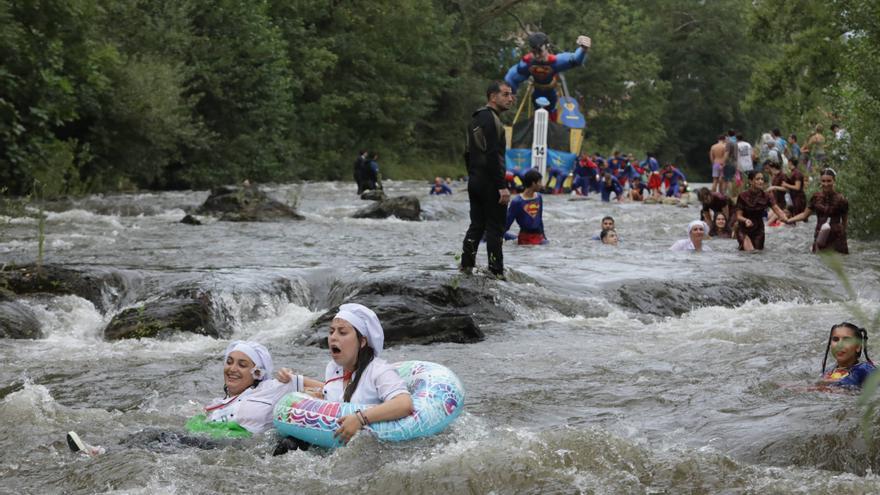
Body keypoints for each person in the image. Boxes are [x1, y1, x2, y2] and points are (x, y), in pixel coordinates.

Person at [67, 341, 318, 456]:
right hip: (213, 444)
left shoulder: (271, 387)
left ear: (257, 373)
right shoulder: (217, 404)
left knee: (158, 435)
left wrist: (294, 377)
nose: (232, 369)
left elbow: (327, 388)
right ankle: (104, 451)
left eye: (242, 364)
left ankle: (100, 453)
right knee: (149, 434)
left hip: (240, 447)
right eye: (229, 362)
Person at [274, 304, 414, 452]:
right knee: (287, 444)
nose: (333, 337)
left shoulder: (379, 371)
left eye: (342, 332)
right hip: (331, 444)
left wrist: (360, 419)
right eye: (331, 331)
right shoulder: (333, 369)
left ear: (362, 342)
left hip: (371, 449)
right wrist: (295, 380)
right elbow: (332, 390)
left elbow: (404, 404)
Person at [459, 81, 514, 279]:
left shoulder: (476, 118)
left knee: (477, 225)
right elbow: (492, 154)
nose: (511, 99)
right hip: (490, 182)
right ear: (493, 96)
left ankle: (466, 266)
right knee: (495, 229)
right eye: (506, 94)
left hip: (475, 179)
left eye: (511, 95)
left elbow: (467, 152)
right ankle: (496, 272)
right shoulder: (491, 119)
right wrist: (502, 186)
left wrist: (472, 175)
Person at [504, 32, 591, 122]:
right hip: (537, 93)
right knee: (538, 111)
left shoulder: (555, 62)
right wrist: (512, 93)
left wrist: (583, 50)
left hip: (551, 93)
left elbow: (575, 59)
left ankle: (552, 126)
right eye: (534, 52)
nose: (537, 56)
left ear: (547, 46)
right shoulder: (527, 64)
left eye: (540, 51)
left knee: (552, 109)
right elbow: (511, 77)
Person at [784, 168, 849, 254]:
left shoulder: (841, 199)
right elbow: (804, 215)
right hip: (820, 235)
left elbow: (844, 222)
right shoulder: (816, 197)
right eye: (823, 181)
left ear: (834, 181)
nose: (826, 184)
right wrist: (788, 220)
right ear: (820, 182)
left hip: (836, 238)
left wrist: (843, 239)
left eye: (829, 181)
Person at [735, 171, 788, 251]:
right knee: (750, 251)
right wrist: (746, 220)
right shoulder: (742, 196)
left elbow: (777, 210)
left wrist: (788, 220)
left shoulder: (767, 196)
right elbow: (738, 216)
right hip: (744, 228)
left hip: (759, 229)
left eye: (762, 179)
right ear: (750, 181)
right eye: (757, 179)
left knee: (758, 254)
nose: (761, 181)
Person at [818, 322, 875, 390]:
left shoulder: (865, 369)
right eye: (835, 339)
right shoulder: (829, 370)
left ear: (857, 347)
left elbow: (848, 386)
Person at [504, 169, 547, 245]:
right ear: (533, 183)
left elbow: (540, 220)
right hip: (525, 239)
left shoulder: (539, 197)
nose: (541, 184)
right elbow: (507, 223)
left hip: (539, 237)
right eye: (540, 182)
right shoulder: (517, 202)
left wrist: (544, 237)